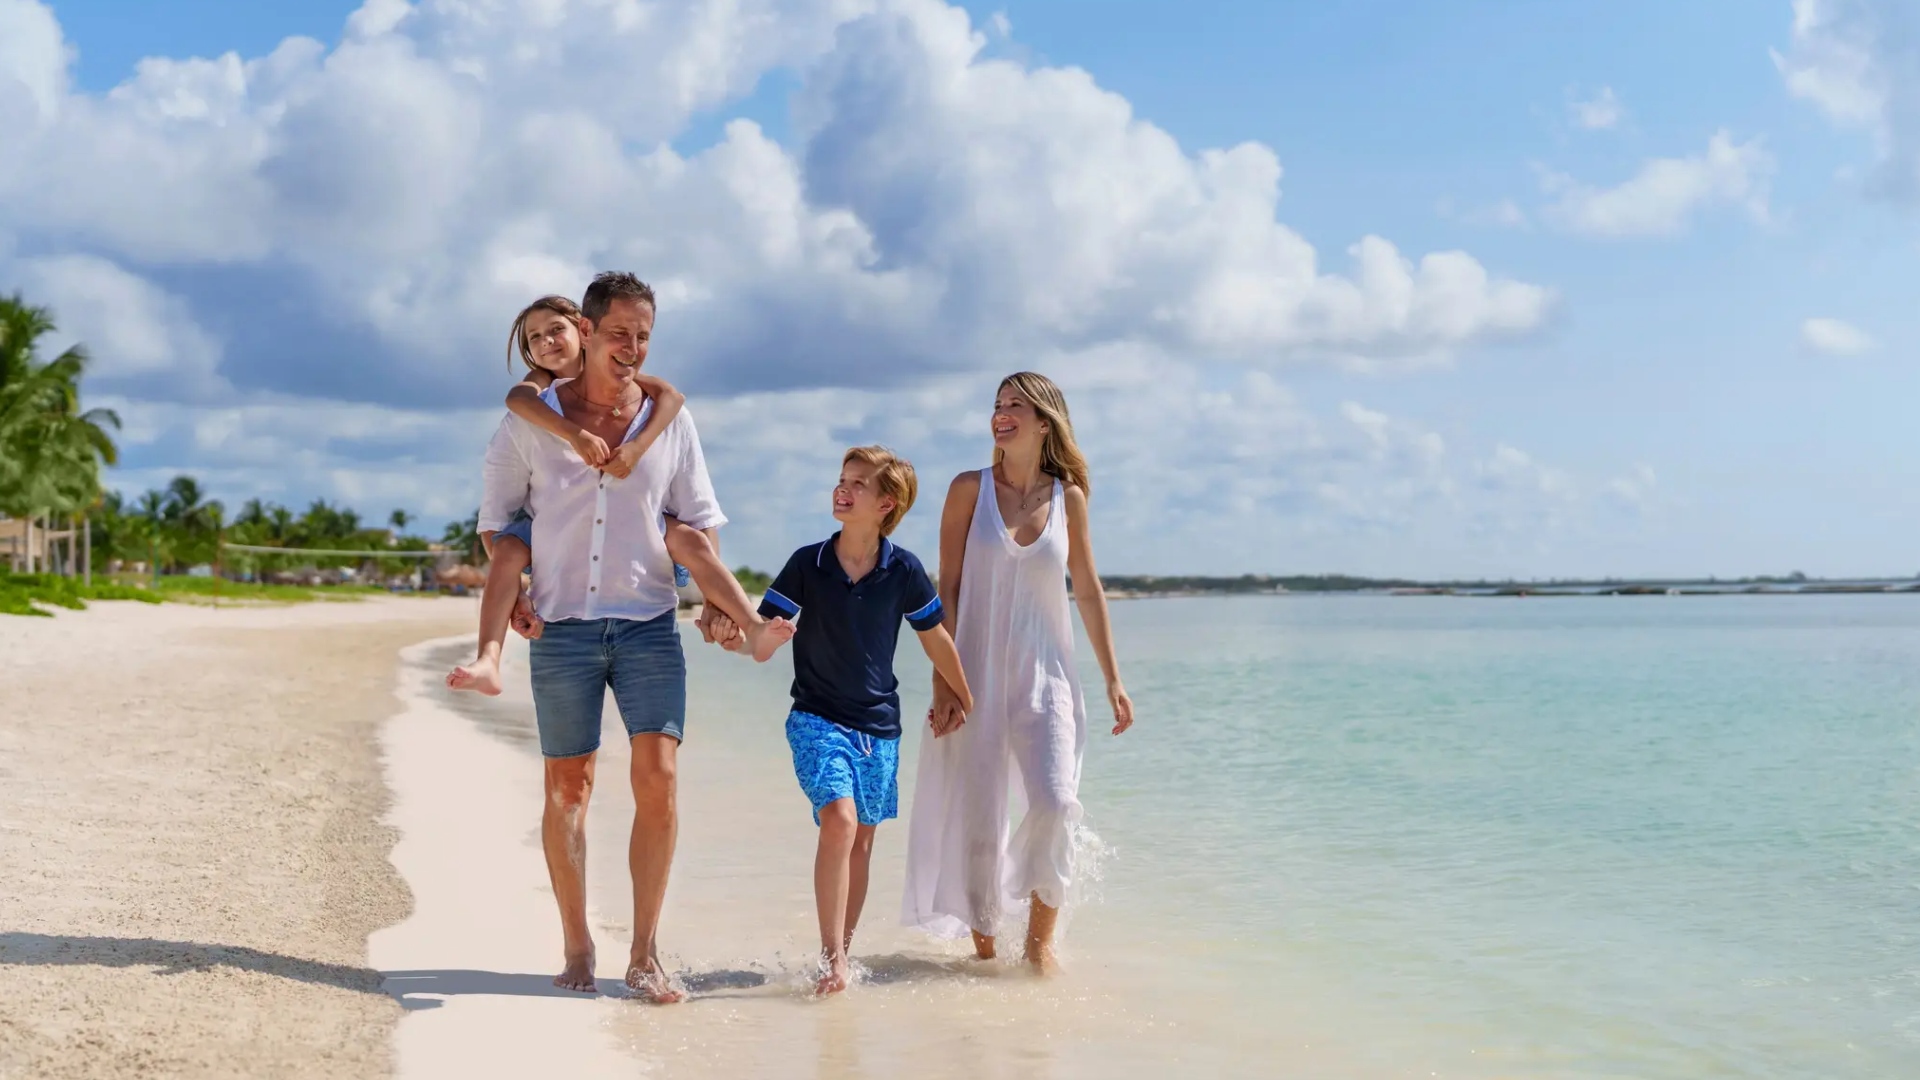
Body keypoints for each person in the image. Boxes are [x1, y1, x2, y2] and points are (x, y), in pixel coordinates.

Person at [476, 271, 794, 1001]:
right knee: (568, 790)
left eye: (644, 336)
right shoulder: (529, 419)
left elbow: (697, 517)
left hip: (651, 622)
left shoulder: (669, 417)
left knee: (659, 780)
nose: (633, 347)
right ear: (584, 332)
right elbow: (496, 520)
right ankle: (577, 943)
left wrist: (718, 607)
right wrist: (516, 594)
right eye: (619, 332)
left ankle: (645, 953)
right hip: (563, 628)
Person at [902, 372, 1135, 973]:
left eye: (1016, 406)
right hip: (971, 675)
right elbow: (945, 588)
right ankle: (985, 959)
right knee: (979, 818)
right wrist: (943, 680)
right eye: (997, 405)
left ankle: (1038, 952)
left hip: (1048, 680)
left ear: (1045, 422)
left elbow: (1087, 588)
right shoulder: (966, 490)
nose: (1001, 415)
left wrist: (1111, 677)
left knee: (1055, 803)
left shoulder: (1068, 499)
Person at [449, 295, 785, 695]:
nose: (546, 342)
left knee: (692, 541)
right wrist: (575, 434)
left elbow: (672, 399)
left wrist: (637, 447)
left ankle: (754, 625)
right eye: (534, 338)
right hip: (553, 526)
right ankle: (488, 658)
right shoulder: (541, 384)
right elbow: (516, 401)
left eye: (556, 329)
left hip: (637, 535)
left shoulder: (627, 379)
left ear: (584, 328)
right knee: (505, 551)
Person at [741, 446, 973, 995]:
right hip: (816, 718)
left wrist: (966, 697)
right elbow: (758, 639)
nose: (842, 490)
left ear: (886, 504)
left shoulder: (904, 569)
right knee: (840, 822)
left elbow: (935, 638)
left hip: (879, 727)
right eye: (841, 481)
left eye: (858, 485)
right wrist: (765, 640)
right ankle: (832, 960)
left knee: (863, 842)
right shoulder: (807, 562)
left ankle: (841, 956)